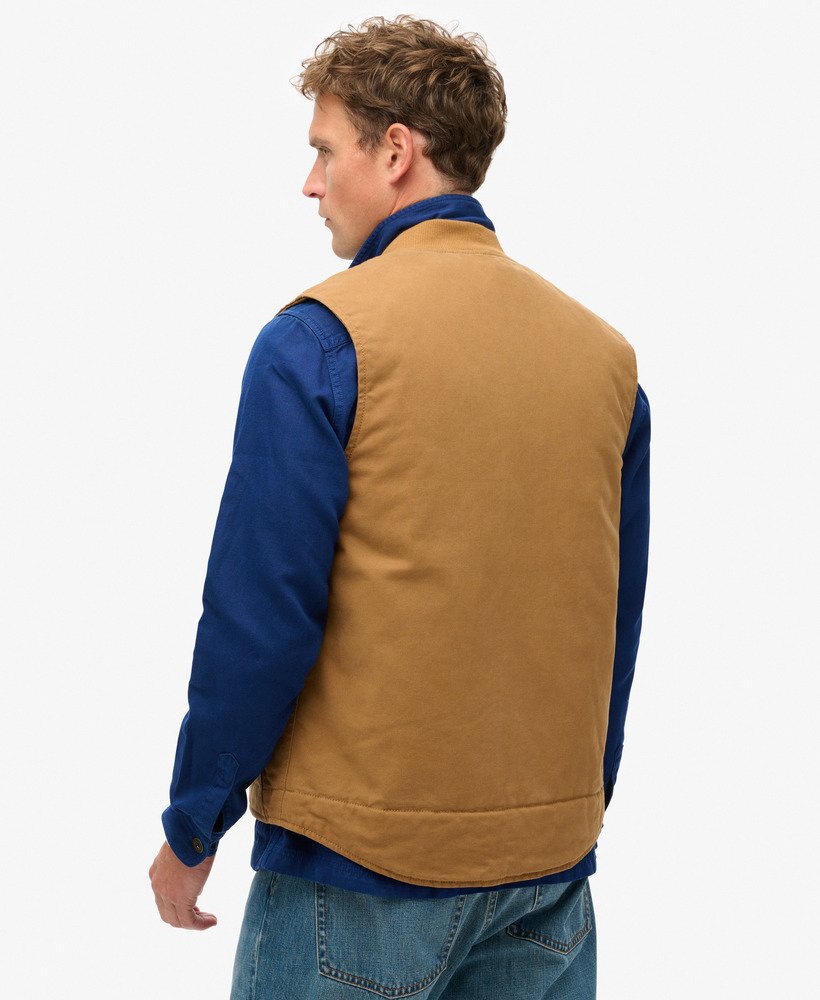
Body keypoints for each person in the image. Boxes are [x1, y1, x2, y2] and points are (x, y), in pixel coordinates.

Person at [148, 15, 650, 999]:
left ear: (394, 151)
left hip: (355, 872)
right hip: (548, 874)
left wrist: (193, 821)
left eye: (323, 150)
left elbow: (260, 616)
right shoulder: (606, 361)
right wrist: (572, 812)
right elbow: (612, 620)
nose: (309, 183)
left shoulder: (319, 342)